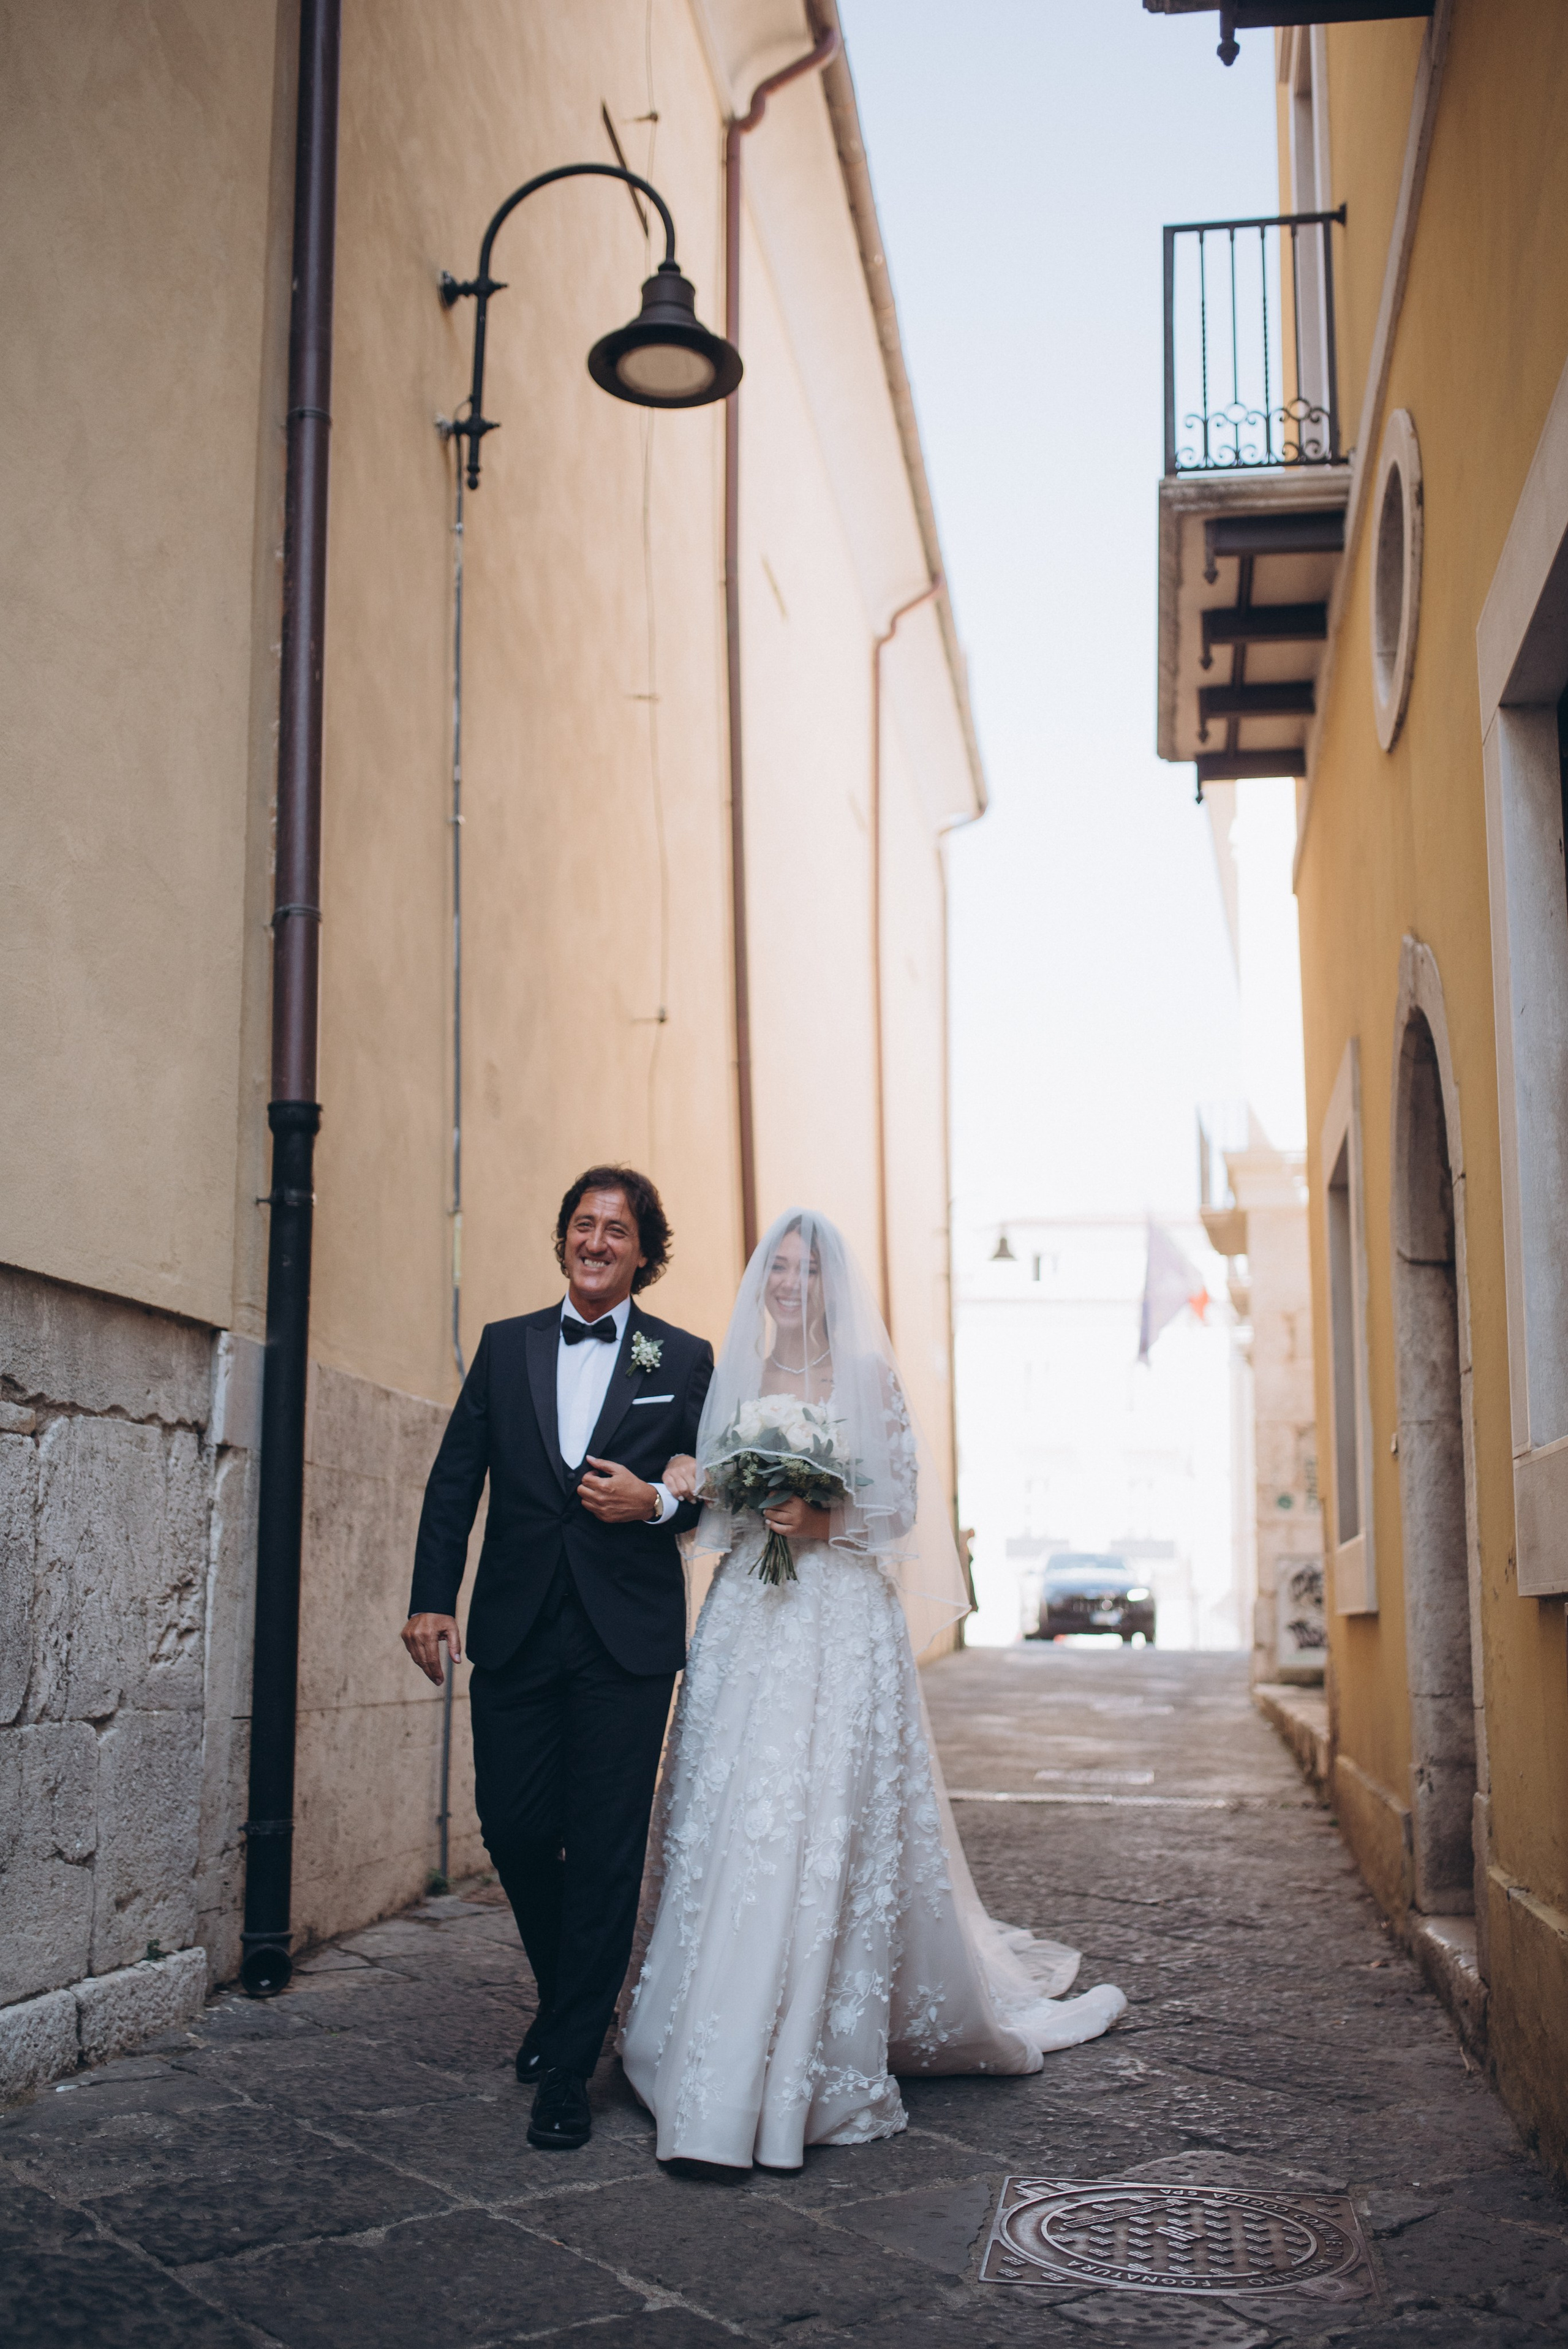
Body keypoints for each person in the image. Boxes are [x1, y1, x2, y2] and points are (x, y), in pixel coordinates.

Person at [620, 1207, 1125, 2171]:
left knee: (824, 1823)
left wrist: (823, 1515)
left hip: (840, 1623)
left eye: (806, 1273)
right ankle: (705, 2036)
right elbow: (707, 1508)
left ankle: (819, 2043)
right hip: (748, 1627)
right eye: (777, 1269)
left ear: (831, 1288)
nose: (788, 1286)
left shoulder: (870, 1382)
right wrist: (695, 1479)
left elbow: (897, 1508)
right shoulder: (729, 1379)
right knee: (735, 1813)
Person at [402, 1166, 712, 2154]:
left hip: (627, 1638)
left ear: (642, 1252)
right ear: (564, 1239)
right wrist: (429, 1598)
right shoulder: (506, 1348)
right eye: (584, 1225)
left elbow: (717, 1489)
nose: (597, 1241)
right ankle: (568, 1998)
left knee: (610, 1846)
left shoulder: (688, 1358)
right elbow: (457, 1481)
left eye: (617, 1231)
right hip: (519, 1628)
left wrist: (656, 1504)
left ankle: (570, 2062)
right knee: (516, 1825)